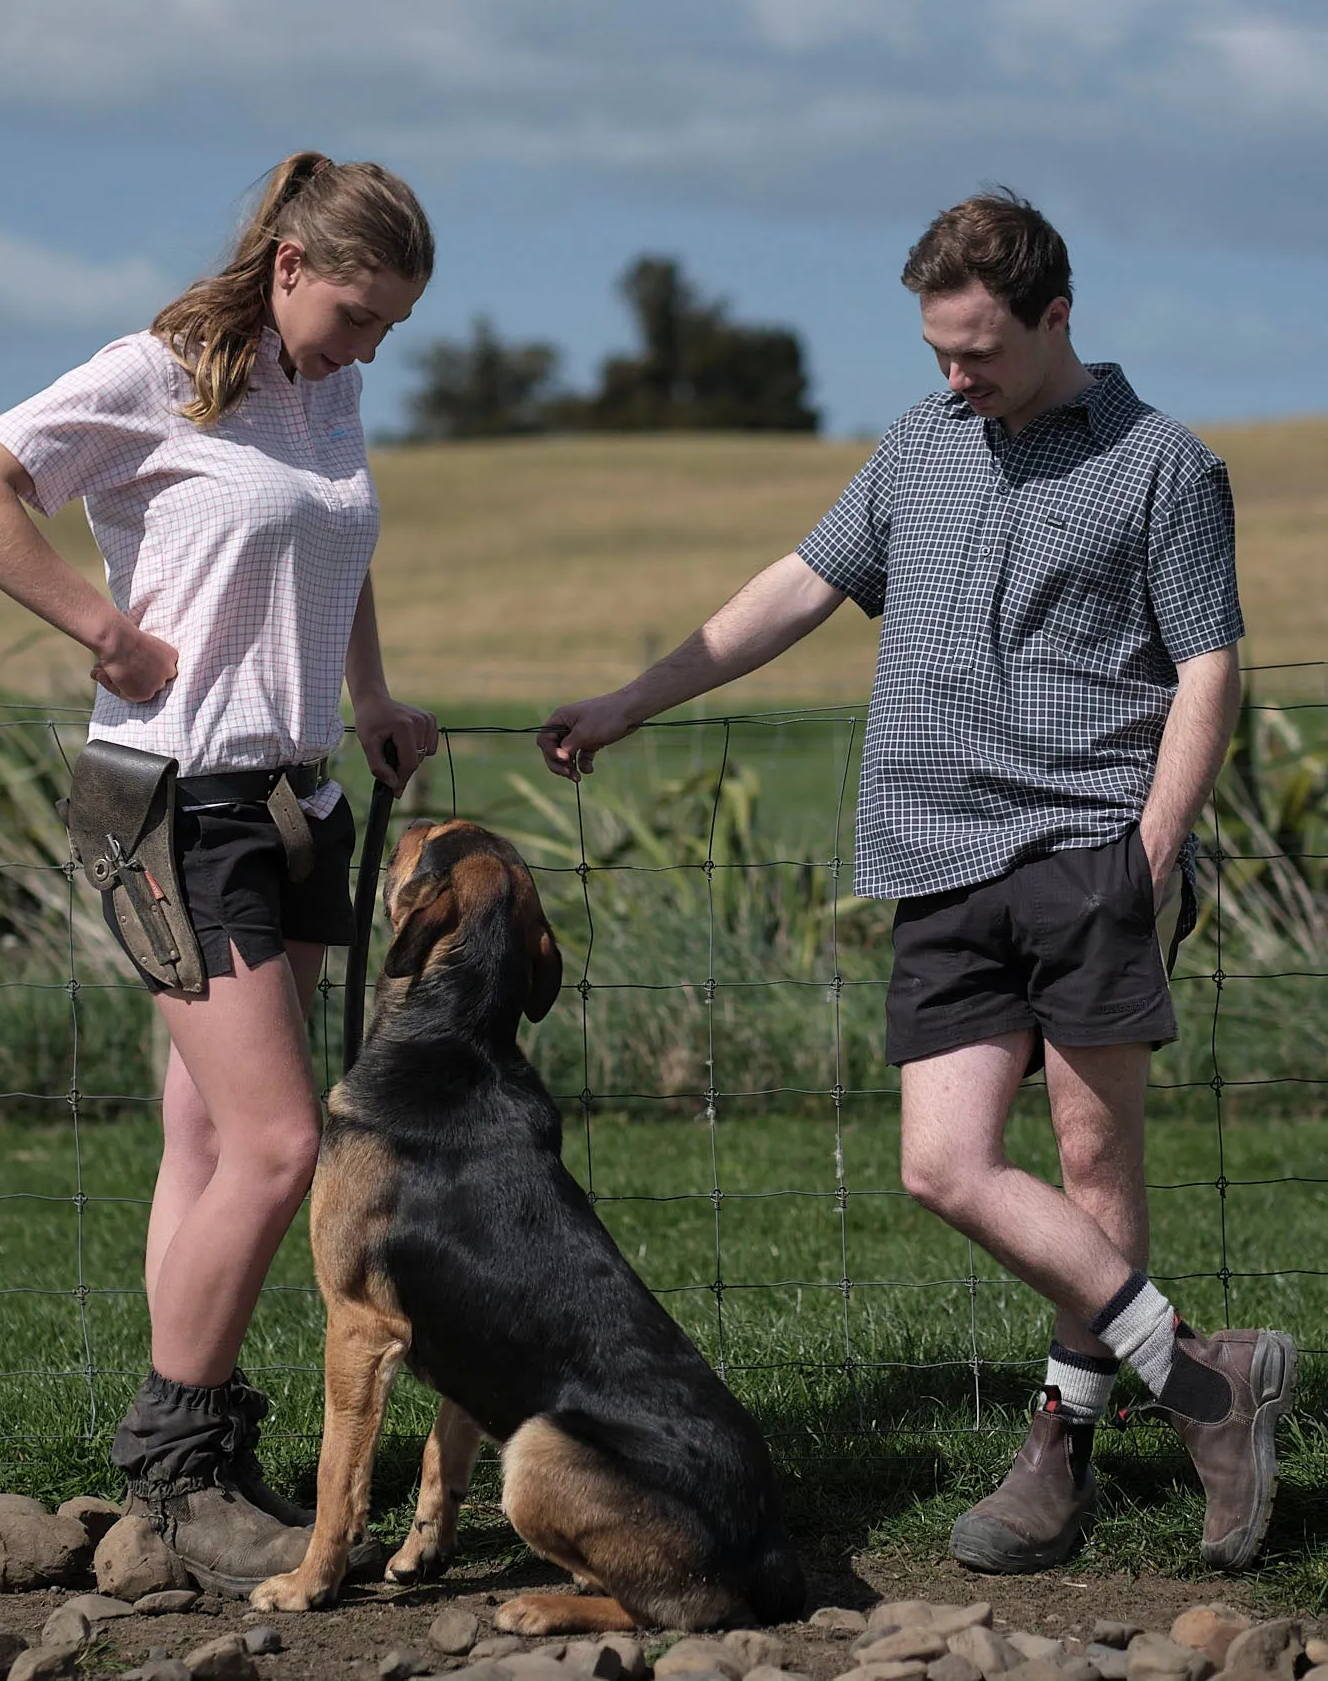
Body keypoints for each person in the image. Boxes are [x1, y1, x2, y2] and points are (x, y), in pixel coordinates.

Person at [536, 191, 1295, 1576]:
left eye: (979, 351)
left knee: (1088, 1160)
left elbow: (1207, 666)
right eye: (940, 350)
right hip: (935, 857)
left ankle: (1059, 1454)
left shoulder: (1161, 467)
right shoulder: (919, 448)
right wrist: (634, 698)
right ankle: (1204, 1375)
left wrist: (1153, 848)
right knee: (943, 1166)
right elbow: (799, 587)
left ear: (1056, 316)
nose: (956, 377)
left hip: (1088, 849)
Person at [0, 151, 438, 1593]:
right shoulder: (159, 373)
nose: (367, 347)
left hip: (296, 799)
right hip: (169, 806)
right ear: (287, 268)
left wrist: (376, 696)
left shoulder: (323, 388)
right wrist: (102, 626)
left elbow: (331, 546)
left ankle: (185, 1459)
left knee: (212, 1145)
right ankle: (178, 1463)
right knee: (281, 1148)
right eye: (354, 315)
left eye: (391, 327)